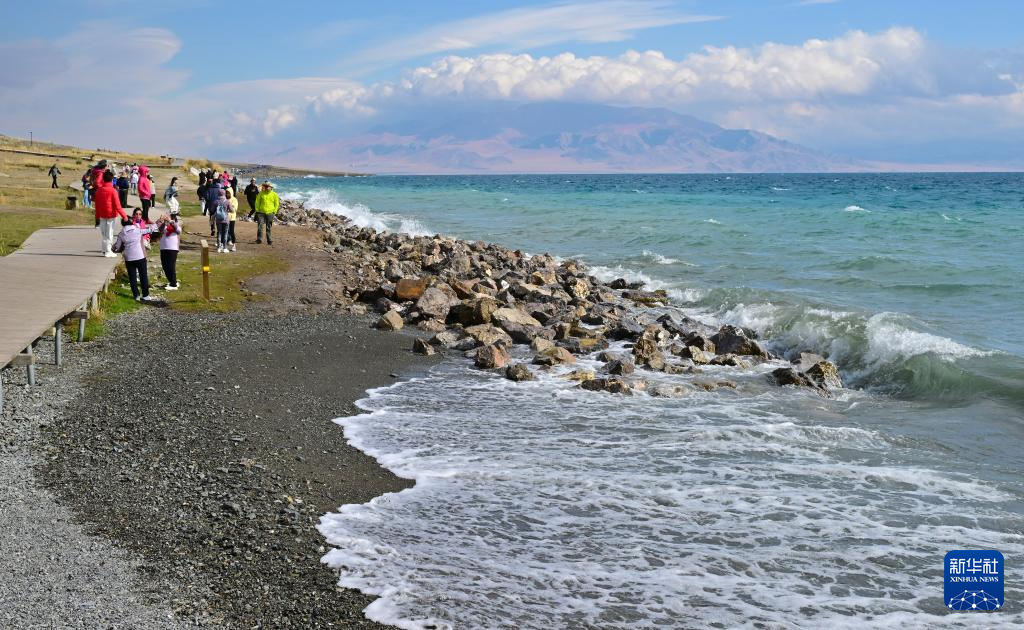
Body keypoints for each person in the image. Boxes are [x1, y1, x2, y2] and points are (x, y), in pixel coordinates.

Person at [111, 216, 157, 301]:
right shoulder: (138, 230)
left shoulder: (121, 234)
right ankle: (145, 295)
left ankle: (136, 296)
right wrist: (158, 222)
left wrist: (112, 248)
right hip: (140, 256)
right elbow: (150, 229)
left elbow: (117, 247)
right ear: (132, 222)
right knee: (143, 276)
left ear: (122, 224)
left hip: (129, 258)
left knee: (132, 278)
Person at [93, 170, 128, 257]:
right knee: (109, 233)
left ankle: (105, 250)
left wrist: (97, 217)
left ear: (103, 179)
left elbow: (96, 205)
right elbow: (118, 206)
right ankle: (108, 251)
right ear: (112, 179)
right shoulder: (113, 191)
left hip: (102, 215)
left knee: (104, 234)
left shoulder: (99, 190)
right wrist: (124, 216)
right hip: (111, 215)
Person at [156, 210, 182, 290]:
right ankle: (172, 281)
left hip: (172, 249)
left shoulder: (176, 225)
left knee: (171, 266)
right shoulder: (165, 226)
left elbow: (178, 230)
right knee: (165, 266)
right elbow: (160, 230)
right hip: (163, 248)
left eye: (168, 216)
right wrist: (163, 222)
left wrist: (170, 221)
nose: (167, 217)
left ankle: (173, 284)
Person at [253, 180, 279, 245]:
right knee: (260, 226)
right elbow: (257, 202)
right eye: (265, 186)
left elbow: (276, 204)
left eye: (267, 186)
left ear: (271, 187)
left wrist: (274, 211)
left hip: (270, 213)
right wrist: (257, 210)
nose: (266, 187)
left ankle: (269, 240)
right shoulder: (261, 193)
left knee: (269, 227)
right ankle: (259, 239)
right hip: (261, 212)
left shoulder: (274, 194)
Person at [213, 186, 230, 252]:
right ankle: (225, 248)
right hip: (226, 220)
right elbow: (232, 210)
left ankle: (219, 248)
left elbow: (212, 209)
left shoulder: (216, 201)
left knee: (219, 233)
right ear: (224, 194)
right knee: (225, 233)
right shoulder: (227, 202)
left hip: (218, 220)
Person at [225, 187, 238, 252]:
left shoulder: (234, 199)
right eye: (226, 193)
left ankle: (234, 245)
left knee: (231, 231)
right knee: (225, 231)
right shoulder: (224, 199)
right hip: (224, 218)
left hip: (232, 218)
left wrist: (228, 208)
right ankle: (225, 244)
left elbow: (234, 209)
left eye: (228, 193)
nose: (227, 194)